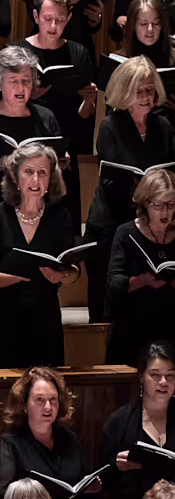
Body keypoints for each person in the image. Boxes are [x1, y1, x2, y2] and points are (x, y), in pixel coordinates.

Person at [0, 45, 63, 320]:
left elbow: (56, 160)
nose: (21, 88)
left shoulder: (45, 118)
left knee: (36, 285)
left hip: (34, 213)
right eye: (14, 81)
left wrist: (58, 163)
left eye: (26, 81)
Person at [86, 57, 175, 324]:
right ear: (125, 91)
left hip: (151, 222)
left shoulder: (163, 127)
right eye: (139, 91)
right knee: (108, 300)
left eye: (150, 90)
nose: (146, 97)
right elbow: (110, 180)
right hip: (112, 220)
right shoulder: (110, 126)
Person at [0, 143, 78, 369]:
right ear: (15, 177)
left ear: (51, 178)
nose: (35, 180)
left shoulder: (60, 216)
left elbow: (73, 271)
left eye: (42, 173)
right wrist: (17, 275)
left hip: (45, 320)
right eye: (28, 172)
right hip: (4, 320)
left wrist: (61, 276)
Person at [19, 0, 97, 227]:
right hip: (27, 142)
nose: (53, 26)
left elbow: (83, 116)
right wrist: (27, 96)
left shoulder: (79, 53)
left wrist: (89, 100)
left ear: (69, 19)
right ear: (35, 16)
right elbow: (0, 104)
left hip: (65, 145)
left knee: (63, 221)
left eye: (60, 20)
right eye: (48, 19)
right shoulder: (18, 51)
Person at [0, 368, 94, 499]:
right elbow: (2, 493)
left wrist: (90, 487)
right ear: (24, 405)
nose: (48, 407)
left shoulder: (71, 439)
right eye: (40, 399)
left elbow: (83, 481)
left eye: (53, 399)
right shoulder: (9, 443)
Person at [105, 173, 175, 366]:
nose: (165, 212)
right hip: (132, 328)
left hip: (171, 325)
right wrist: (143, 280)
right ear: (145, 203)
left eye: (171, 204)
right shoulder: (126, 233)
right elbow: (114, 283)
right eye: (158, 205)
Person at [101, 341, 175, 499]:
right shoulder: (119, 421)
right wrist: (115, 466)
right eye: (155, 375)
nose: (163, 382)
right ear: (142, 377)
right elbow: (102, 482)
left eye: (170, 375)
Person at [118, 0, 175, 123]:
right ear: (133, 26)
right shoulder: (121, 60)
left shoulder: (173, 58)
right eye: (143, 23)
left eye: (156, 23)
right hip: (130, 127)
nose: (150, 29)